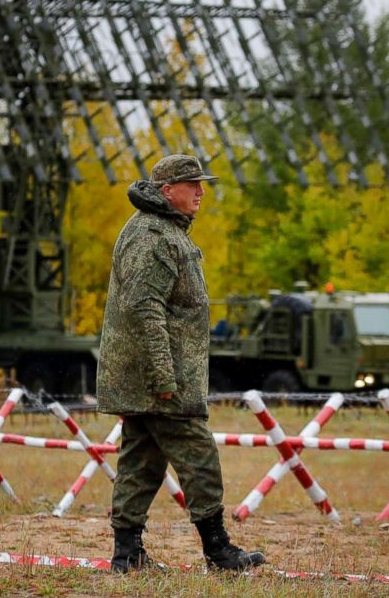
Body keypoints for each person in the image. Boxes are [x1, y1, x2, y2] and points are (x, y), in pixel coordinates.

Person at [96, 154, 266, 573]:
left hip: (155, 377)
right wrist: (163, 376)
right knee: (199, 456)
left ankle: (127, 556)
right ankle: (219, 551)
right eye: (193, 184)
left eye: (201, 184)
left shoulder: (164, 231)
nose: (201, 192)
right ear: (167, 191)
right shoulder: (153, 235)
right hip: (160, 379)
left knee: (142, 460)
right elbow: (144, 309)